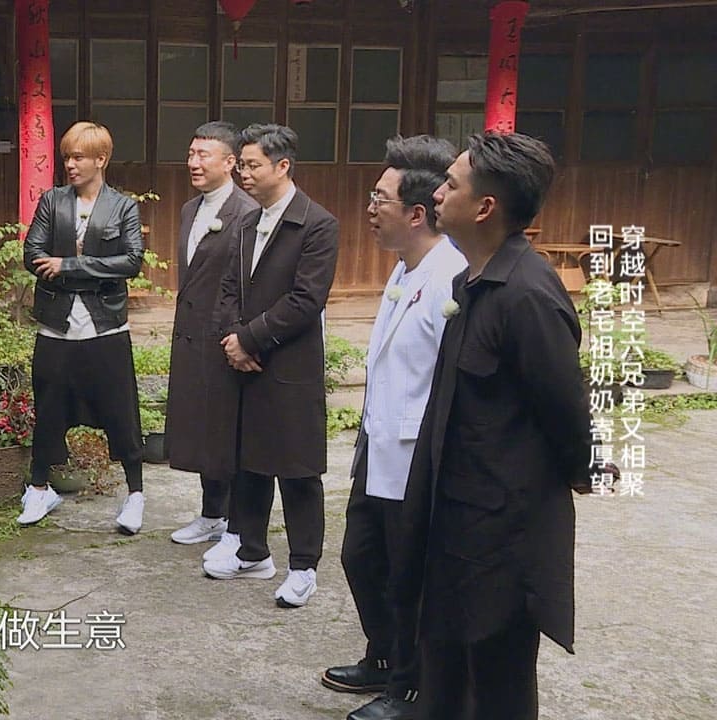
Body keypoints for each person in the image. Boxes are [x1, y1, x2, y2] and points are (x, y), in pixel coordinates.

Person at [401, 132, 598, 719]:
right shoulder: (469, 282)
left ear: (485, 207)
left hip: (502, 530)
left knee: (495, 676)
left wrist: (576, 473)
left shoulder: (526, 294)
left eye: (451, 184)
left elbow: (566, 413)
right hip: (454, 512)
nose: (438, 193)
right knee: (445, 662)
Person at [321, 136, 463, 720]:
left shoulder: (451, 277)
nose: (370, 208)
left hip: (415, 459)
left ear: (417, 213)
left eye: (381, 198)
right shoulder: (407, 267)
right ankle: (383, 656)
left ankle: (411, 687)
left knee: (409, 576)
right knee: (362, 557)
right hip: (378, 446)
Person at [205, 123, 338, 611]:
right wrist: (231, 339)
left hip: (288, 364)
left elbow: (306, 299)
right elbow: (228, 288)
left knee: (297, 469)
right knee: (248, 462)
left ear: (283, 166)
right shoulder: (246, 221)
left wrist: (250, 337)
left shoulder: (317, 224)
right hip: (245, 363)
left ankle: (303, 566)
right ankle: (252, 551)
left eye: (252, 165)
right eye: (241, 165)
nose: (243, 173)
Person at [19, 121, 146, 533]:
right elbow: (32, 254)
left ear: (100, 160)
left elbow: (131, 261)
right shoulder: (53, 201)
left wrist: (69, 266)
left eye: (78, 158)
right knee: (49, 407)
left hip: (104, 323)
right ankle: (39, 488)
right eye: (66, 158)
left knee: (121, 410)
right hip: (56, 323)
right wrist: (88, 270)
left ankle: (135, 494)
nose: (70, 165)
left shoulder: (122, 207)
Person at [165, 121, 258, 555]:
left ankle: (237, 525)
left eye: (204, 155)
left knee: (227, 430)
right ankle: (211, 514)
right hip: (191, 334)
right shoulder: (190, 209)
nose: (194, 163)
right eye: (191, 154)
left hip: (226, 337)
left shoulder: (247, 212)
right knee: (201, 427)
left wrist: (239, 336)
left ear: (230, 162)